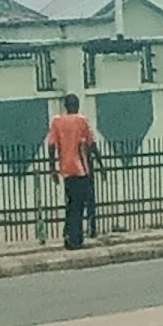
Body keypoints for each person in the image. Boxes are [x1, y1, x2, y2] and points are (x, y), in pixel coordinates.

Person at [47, 93, 99, 250]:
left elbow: (51, 145)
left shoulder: (57, 122)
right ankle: (76, 238)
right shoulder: (81, 120)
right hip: (81, 169)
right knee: (79, 205)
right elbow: (92, 144)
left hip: (66, 170)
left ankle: (70, 235)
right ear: (77, 105)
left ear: (65, 106)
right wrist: (101, 164)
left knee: (70, 203)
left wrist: (53, 169)